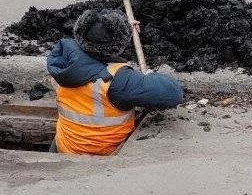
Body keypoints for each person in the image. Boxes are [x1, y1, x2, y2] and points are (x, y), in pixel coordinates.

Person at [47, 9, 183, 155]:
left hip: (64, 147)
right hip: (100, 157)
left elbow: (87, 49)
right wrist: (149, 76)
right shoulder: (117, 80)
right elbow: (173, 93)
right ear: (118, 45)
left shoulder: (63, 63)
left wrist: (125, 31)